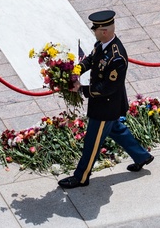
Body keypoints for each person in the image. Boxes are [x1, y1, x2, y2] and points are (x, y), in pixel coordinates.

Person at [58, 10, 154, 189]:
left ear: (104, 31)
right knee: (116, 130)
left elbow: (109, 88)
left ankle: (81, 177)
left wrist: (82, 89)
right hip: (104, 104)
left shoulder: (117, 56)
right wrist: (77, 70)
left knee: (92, 143)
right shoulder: (101, 45)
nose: (93, 32)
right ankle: (142, 156)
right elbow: (91, 59)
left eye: (95, 29)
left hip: (105, 107)